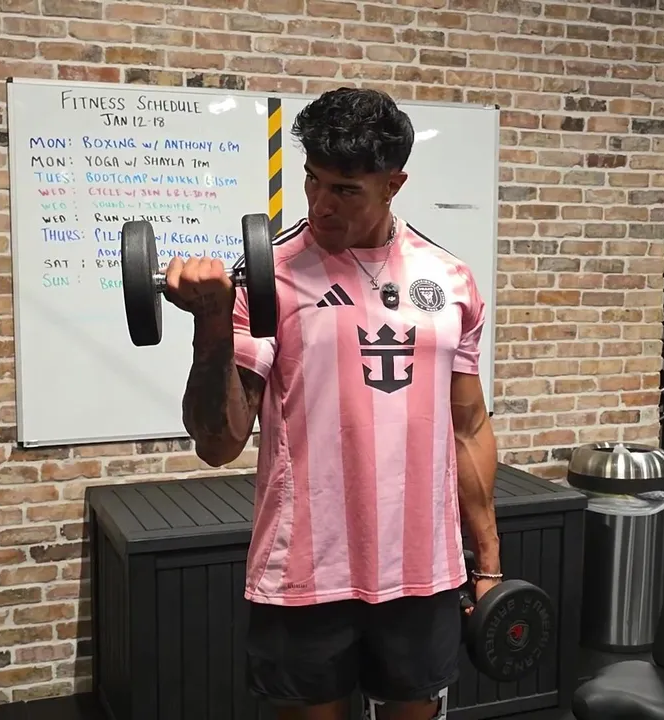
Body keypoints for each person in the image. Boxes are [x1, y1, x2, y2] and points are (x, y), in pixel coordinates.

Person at [163, 88, 501, 720]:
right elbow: (219, 442)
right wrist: (211, 324)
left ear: (394, 185)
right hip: (306, 572)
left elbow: (469, 425)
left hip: (424, 570)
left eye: (345, 190)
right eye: (312, 180)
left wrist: (489, 566)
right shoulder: (269, 276)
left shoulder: (451, 279)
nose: (320, 204)